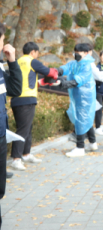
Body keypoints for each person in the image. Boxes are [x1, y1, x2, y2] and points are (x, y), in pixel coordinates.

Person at [10, 42, 58, 171]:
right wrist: (55, 75)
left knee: (27, 128)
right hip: (26, 100)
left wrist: (42, 82)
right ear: (33, 52)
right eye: (37, 53)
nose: (37, 55)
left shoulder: (18, 61)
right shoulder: (32, 61)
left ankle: (26, 154)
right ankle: (16, 159)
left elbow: (27, 81)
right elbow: (50, 72)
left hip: (17, 99)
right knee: (23, 130)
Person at [0, 25, 23, 227]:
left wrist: (12, 61)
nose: (4, 44)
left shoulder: (0, 67)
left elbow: (15, 89)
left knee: (0, 189)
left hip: (0, 135)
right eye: (3, 40)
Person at [59, 43, 98, 157]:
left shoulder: (87, 65)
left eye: (78, 52)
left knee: (81, 119)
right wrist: (57, 71)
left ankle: (80, 147)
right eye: (75, 51)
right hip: (78, 96)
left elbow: (78, 80)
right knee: (86, 118)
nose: (76, 54)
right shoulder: (75, 63)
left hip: (85, 97)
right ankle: (92, 142)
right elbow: (66, 67)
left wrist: (64, 83)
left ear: (86, 53)